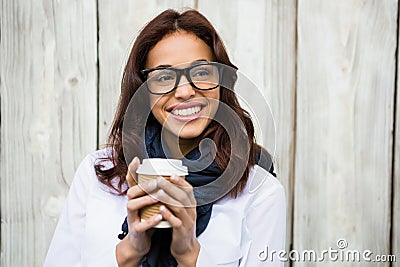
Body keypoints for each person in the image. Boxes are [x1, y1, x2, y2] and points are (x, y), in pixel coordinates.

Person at [44, 9, 285, 267]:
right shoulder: (98, 174)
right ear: (142, 90)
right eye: (164, 77)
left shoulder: (259, 192)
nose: (184, 91)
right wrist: (130, 251)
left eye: (202, 72)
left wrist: (188, 255)